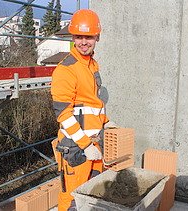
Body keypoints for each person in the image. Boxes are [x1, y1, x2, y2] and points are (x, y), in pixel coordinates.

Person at [50, 9, 114, 211]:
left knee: (92, 196)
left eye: (88, 37)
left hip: (94, 144)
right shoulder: (66, 69)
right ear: (72, 37)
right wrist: (86, 146)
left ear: (97, 37)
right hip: (76, 148)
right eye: (79, 36)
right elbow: (64, 115)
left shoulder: (92, 64)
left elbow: (93, 104)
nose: (83, 42)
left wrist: (106, 122)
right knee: (72, 201)